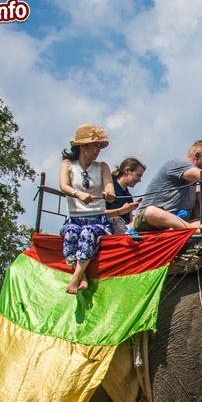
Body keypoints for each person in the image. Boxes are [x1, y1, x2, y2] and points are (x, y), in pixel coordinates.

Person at [58, 124, 116, 294]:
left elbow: (109, 186)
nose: (98, 150)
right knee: (70, 232)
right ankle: (81, 275)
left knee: (87, 233)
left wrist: (109, 194)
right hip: (74, 218)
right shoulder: (67, 164)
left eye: (99, 146)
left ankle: (75, 279)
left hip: (97, 220)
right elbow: (63, 186)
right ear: (83, 146)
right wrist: (78, 194)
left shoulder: (102, 167)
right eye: (95, 145)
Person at [107, 157, 145, 235]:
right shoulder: (108, 187)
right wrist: (122, 210)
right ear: (127, 170)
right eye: (138, 175)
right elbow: (99, 213)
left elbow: (131, 221)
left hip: (125, 231)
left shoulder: (129, 197)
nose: (139, 180)